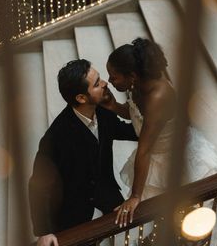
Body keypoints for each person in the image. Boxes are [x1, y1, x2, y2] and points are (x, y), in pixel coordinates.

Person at [102, 38, 217, 227]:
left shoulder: (158, 97)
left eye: (114, 76)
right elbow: (134, 113)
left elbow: (144, 150)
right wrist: (114, 106)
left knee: (188, 212)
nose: (109, 80)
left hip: (174, 157)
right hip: (157, 154)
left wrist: (135, 196)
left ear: (132, 75)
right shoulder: (138, 85)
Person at [29, 59, 138, 246]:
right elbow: (38, 186)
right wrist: (44, 232)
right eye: (97, 84)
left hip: (107, 195)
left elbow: (126, 131)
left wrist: (153, 122)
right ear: (81, 98)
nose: (104, 83)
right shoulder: (55, 138)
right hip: (73, 210)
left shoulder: (103, 112)